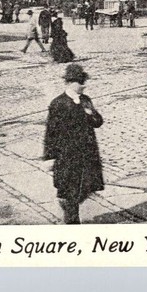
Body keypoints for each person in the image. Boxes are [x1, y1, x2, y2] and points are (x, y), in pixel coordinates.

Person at [43, 64, 105, 224]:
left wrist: (91, 113)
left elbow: (98, 122)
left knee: (84, 189)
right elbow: (51, 131)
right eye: (81, 83)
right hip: (68, 156)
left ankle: (68, 208)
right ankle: (72, 224)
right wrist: (50, 156)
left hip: (87, 154)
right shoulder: (58, 103)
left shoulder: (86, 100)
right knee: (71, 190)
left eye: (84, 82)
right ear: (71, 83)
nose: (84, 86)